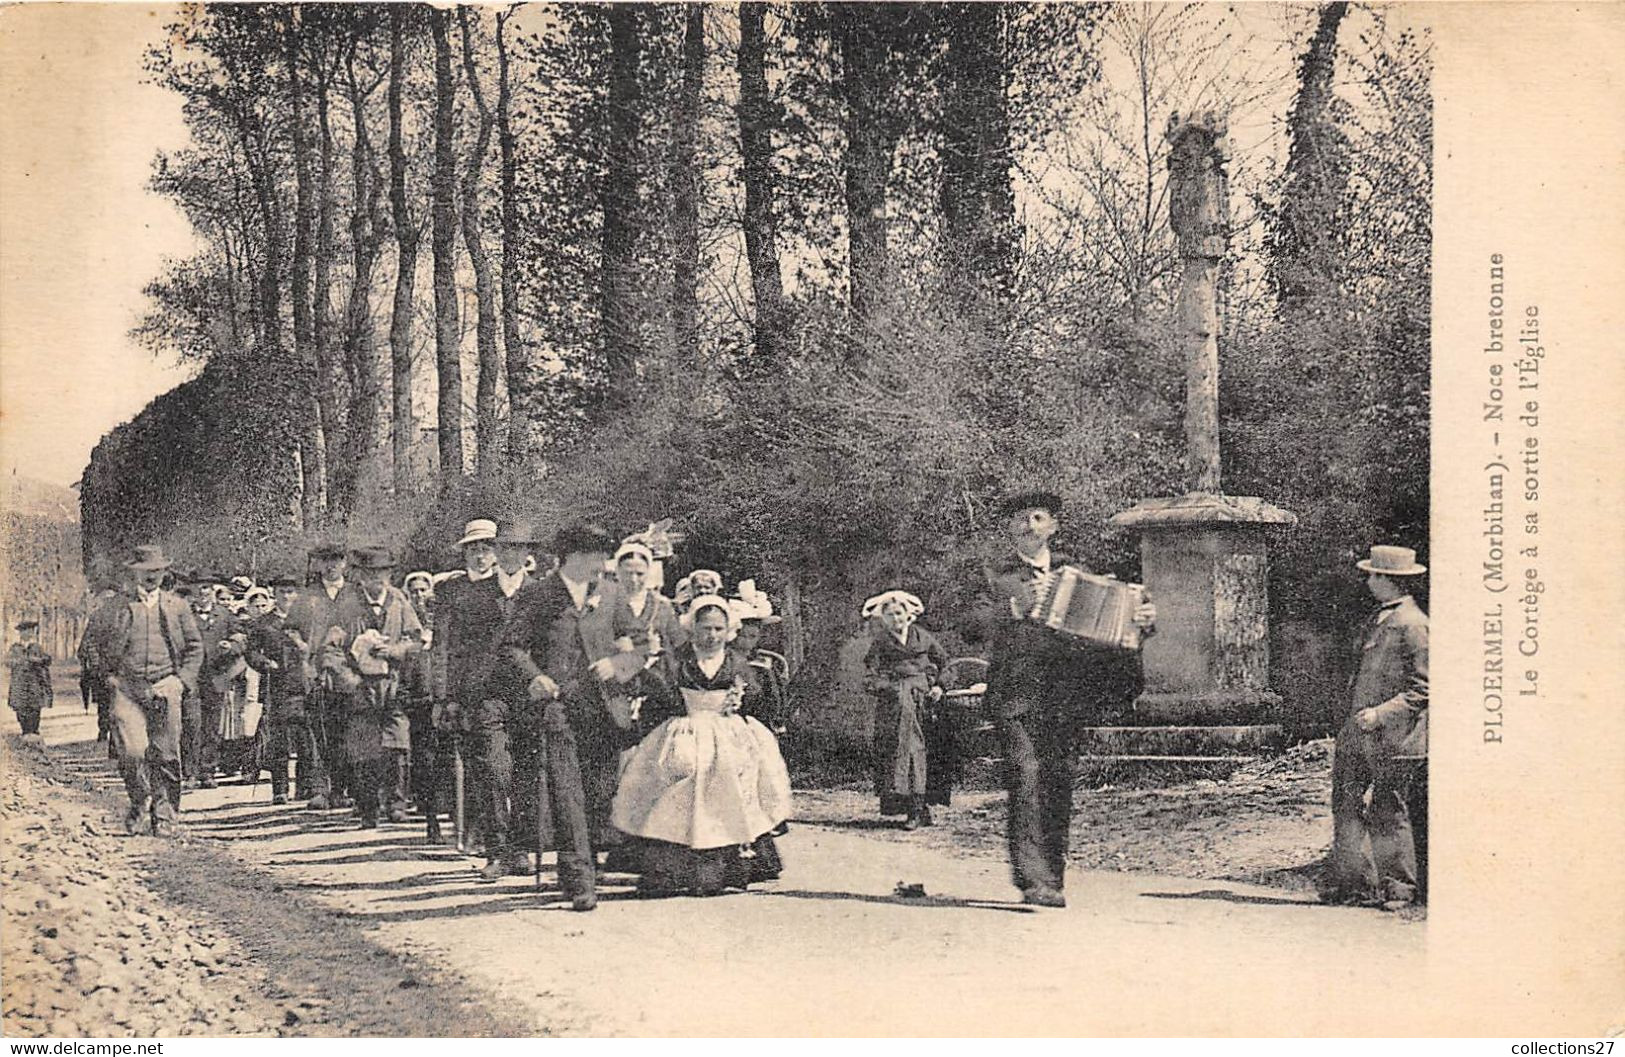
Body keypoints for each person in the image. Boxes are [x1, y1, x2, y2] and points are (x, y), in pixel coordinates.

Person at [980, 491, 1156, 907]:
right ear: (1009, 529)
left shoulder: (1076, 575)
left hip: (1064, 698)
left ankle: (1052, 878)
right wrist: (1011, 609)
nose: (1029, 525)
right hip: (1016, 697)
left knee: (1057, 782)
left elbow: (1106, 633)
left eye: (1038, 518)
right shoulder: (994, 579)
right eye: (1020, 519)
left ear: (1053, 527)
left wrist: (1142, 621)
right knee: (1025, 778)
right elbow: (970, 624)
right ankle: (1032, 879)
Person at [499, 523, 644, 912]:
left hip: (603, 709)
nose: (602, 563)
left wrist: (619, 664)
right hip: (558, 709)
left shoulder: (611, 595)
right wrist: (536, 677)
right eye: (596, 555)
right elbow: (513, 647)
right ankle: (581, 880)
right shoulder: (540, 594)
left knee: (599, 793)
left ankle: (577, 865)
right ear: (574, 556)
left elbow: (641, 644)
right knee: (567, 793)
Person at [610, 595, 793, 897]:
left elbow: (755, 699)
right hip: (685, 728)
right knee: (676, 788)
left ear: (729, 630)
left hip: (726, 732)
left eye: (719, 629)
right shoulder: (676, 660)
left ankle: (719, 867)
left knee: (728, 788)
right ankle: (671, 868)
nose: (712, 636)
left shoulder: (737, 662)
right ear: (692, 628)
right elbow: (658, 695)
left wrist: (739, 712)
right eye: (705, 628)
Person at [1322, 545, 1429, 910]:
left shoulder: (1413, 625)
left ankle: (1399, 889)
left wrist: (1381, 714)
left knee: (1388, 810)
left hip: (1394, 739)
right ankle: (1352, 884)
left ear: (1388, 580)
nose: (1368, 581)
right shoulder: (1379, 618)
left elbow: (1423, 689)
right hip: (1357, 734)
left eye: (1373, 575)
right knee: (1346, 803)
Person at [447, 519, 547, 881]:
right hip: (486, 695)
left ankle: (519, 849)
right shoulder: (472, 595)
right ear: (495, 552)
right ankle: (496, 848)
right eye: (503, 548)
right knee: (493, 769)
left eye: (517, 549)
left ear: (526, 554)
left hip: (528, 696)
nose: (509, 555)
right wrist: (451, 698)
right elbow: (455, 651)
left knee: (526, 772)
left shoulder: (542, 594)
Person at [90, 544, 204, 837]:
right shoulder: (115, 607)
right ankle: (140, 799)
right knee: (132, 752)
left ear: (164, 572)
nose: (151, 576)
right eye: (145, 572)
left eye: (156, 571)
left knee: (166, 754)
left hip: (165, 687)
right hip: (128, 689)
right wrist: (109, 677)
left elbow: (195, 647)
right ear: (134, 573)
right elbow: (91, 645)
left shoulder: (177, 606)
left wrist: (180, 680)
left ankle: (165, 816)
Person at [325, 545, 424, 828]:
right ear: (361, 576)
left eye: (383, 573)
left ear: (390, 574)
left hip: (394, 686)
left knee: (397, 744)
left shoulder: (399, 602)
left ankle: (396, 803)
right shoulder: (347, 606)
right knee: (365, 750)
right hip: (361, 688)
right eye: (371, 573)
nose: (377, 579)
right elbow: (330, 651)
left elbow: (415, 641)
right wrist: (351, 680)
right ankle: (368, 806)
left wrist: (395, 651)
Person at [426, 519, 501, 845]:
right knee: (473, 760)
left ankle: (504, 834)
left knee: (500, 761)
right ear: (464, 554)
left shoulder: (505, 588)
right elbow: (440, 645)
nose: (480, 556)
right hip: (465, 689)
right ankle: (476, 828)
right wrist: (441, 696)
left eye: (486, 549)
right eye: (474, 550)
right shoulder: (450, 592)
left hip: (503, 686)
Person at [862, 590, 951, 829]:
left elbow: (946, 664)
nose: (896, 620)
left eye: (899, 614)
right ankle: (912, 808)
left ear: (908, 614)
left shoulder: (923, 637)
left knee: (927, 750)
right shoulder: (880, 643)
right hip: (896, 704)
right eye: (890, 616)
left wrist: (940, 686)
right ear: (884, 619)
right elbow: (870, 677)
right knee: (906, 750)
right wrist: (892, 689)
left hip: (925, 700)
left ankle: (924, 806)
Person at [285, 543, 351, 810]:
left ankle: (344, 788)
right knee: (319, 732)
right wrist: (302, 645)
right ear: (319, 564)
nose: (331, 566)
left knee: (347, 732)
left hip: (349, 673)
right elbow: (290, 629)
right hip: (316, 674)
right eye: (326, 561)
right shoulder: (308, 596)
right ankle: (320, 789)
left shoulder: (354, 594)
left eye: (336, 560)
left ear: (344, 563)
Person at [245, 575, 311, 805]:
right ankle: (280, 789)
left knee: (306, 741)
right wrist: (264, 663)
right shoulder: (264, 623)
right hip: (277, 686)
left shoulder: (306, 620)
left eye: (291, 591)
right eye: (282, 591)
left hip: (303, 685)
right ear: (275, 593)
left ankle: (306, 787)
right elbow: (251, 652)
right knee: (279, 740)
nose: (287, 596)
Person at [184, 580, 235, 789]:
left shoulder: (224, 614)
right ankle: (190, 773)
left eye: (205, 587)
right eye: (198, 587)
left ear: (212, 590)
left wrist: (231, 646)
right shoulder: (184, 614)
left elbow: (240, 638)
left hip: (216, 677)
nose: (202, 591)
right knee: (191, 724)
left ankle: (208, 771)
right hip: (191, 678)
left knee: (212, 726)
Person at [610, 542, 683, 659]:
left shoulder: (662, 605)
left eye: (640, 574)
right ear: (617, 572)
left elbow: (678, 642)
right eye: (628, 573)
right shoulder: (605, 602)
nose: (633, 579)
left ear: (648, 572)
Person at [6, 620, 53, 742]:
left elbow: (47, 660)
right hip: (19, 683)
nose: (28, 633)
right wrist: (18, 661)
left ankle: (34, 734)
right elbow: (7, 661)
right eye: (25, 631)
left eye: (30, 631)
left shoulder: (37, 646)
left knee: (34, 709)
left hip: (35, 683)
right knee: (21, 709)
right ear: (20, 633)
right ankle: (25, 733)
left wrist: (37, 660)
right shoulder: (15, 648)